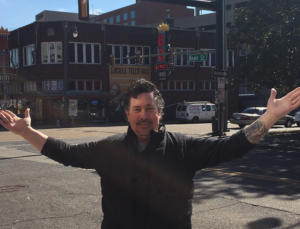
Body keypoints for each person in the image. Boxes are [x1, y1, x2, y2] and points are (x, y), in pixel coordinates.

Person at [0, 79, 300, 229]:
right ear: (128, 114)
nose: (144, 116)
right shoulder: (110, 149)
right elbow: (63, 151)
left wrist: (270, 117)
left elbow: (231, 146)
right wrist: (26, 132)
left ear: (159, 112)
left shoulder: (184, 147)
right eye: (137, 110)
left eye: (150, 109)